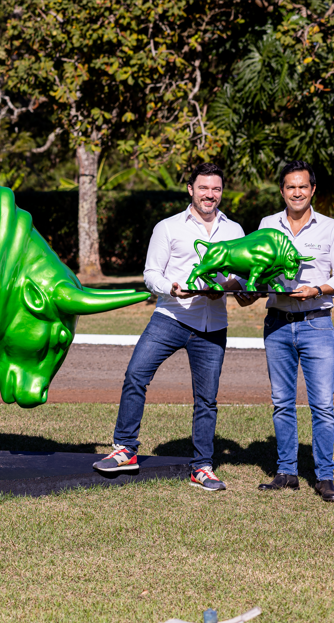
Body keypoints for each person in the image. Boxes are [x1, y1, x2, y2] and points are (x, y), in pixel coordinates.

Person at [92, 163, 248, 491]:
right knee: (136, 375)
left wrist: (230, 285)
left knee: (207, 399)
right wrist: (174, 288)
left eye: (216, 189)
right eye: (203, 188)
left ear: (222, 192)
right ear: (190, 189)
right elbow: (151, 275)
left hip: (213, 324)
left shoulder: (234, 231)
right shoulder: (168, 227)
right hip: (171, 317)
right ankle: (125, 450)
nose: (210, 195)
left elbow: (242, 278)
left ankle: (202, 467)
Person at [255, 161, 334, 503]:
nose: (296, 192)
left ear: (312, 190)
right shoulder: (268, 225)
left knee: (322, 405)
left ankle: (325, 477)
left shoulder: (331, 228)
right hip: (277, 324)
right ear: (282, 191)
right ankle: (286, 473)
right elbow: (259, 263)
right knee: (282, 403)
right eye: (289, 187)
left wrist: (318, 290)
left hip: (316, 323)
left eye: (302, 187)